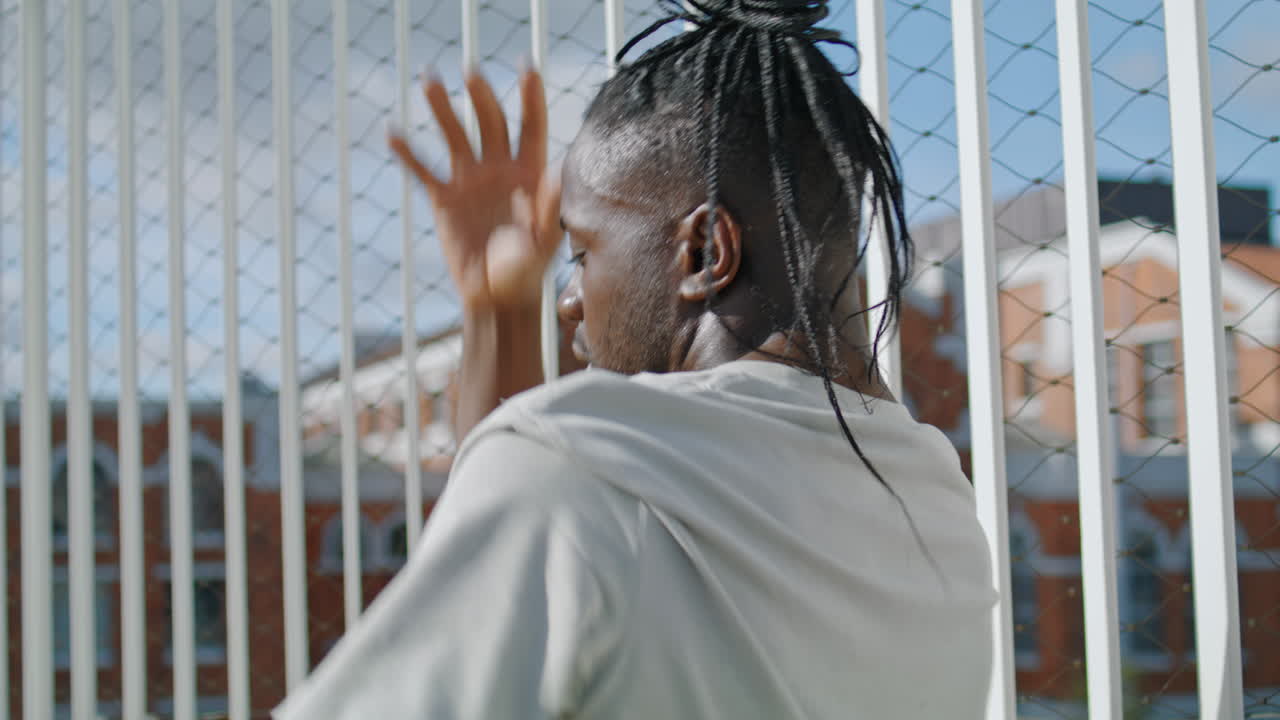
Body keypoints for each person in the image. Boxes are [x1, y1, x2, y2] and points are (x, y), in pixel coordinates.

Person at [274, 1, 994, 718]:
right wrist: (502, 311)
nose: (568, 301)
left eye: (581, 253)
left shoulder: (580, 474)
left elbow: (559, 493)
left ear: (705, 253)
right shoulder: (939, 505)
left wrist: (506, 340)